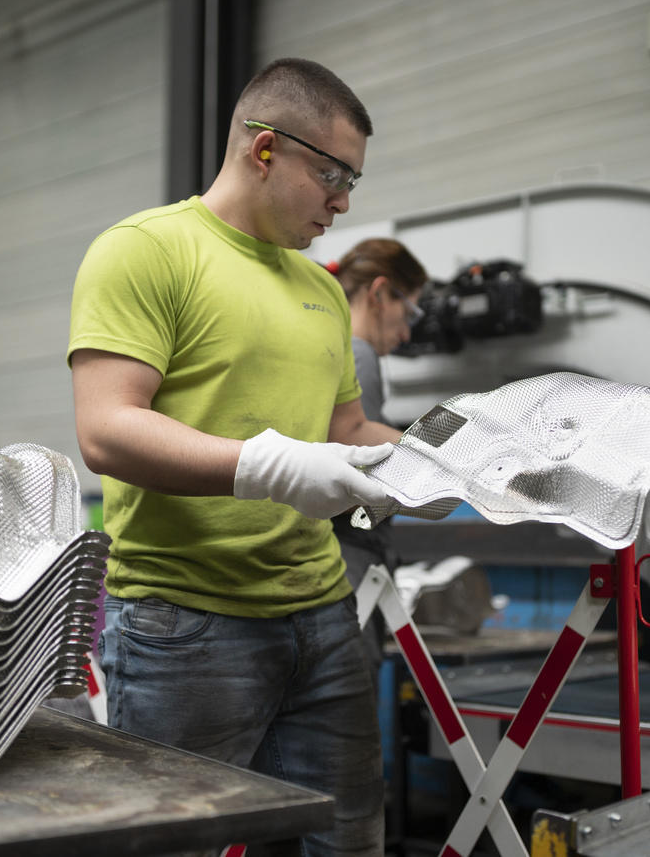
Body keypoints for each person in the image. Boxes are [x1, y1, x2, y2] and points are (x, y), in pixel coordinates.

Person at [67, 58, 401, 856]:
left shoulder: (322, 292)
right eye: (332, 172)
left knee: (348, 842)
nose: (344, 200)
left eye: (353, 178)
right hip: (186, 625)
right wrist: (272, 465)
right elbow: (107, 428)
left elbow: (347, 430)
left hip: (321, 616)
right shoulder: (147, 252)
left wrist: (457, 453)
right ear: (262, 150)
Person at [327, 239, 428, 679]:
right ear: (380, 293)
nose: (406, 333)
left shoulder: (328, 343)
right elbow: (356, 459)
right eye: (410, 313)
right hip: (348, 558)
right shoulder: (358, 352)